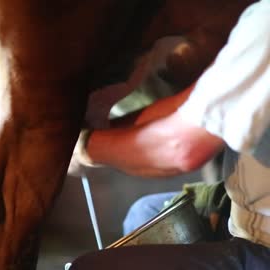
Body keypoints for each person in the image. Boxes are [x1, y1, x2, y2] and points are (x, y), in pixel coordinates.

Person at [68, 0, 270, 269]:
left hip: (264, 242)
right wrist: (85, 133)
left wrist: (82, 147)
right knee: (145, 213)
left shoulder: (264, 26)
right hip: (247, 210)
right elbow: (187, 106)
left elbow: (181, 149)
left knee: (91, 268)